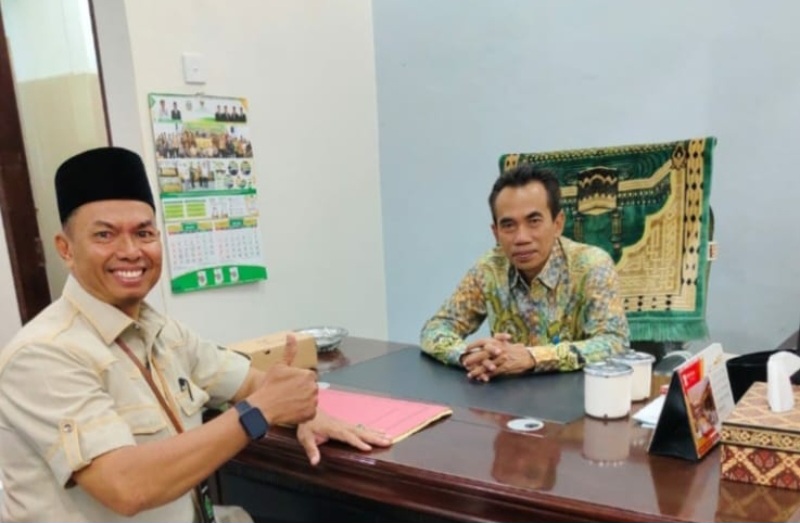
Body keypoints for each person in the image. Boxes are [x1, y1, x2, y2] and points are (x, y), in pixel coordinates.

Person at [0, 147, 391, 522]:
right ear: (65, 249)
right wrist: (262, 411)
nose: (131, 251)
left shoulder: (161, 331)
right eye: (105, 235)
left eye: (144, 233)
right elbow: (126, 486)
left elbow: (248, 382)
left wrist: (304, 411)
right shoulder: (43, 355)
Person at [420, 164, 629, 382]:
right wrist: (471, 356)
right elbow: (435, 329)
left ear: (558, 224)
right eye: (508, 225)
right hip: (506, 397)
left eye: (534, 221)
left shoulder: (592, 266)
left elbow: (615, 342)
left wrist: (533, 357)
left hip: (577, 394)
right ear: (496, 233)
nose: (521, 238)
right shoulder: (489, 269)